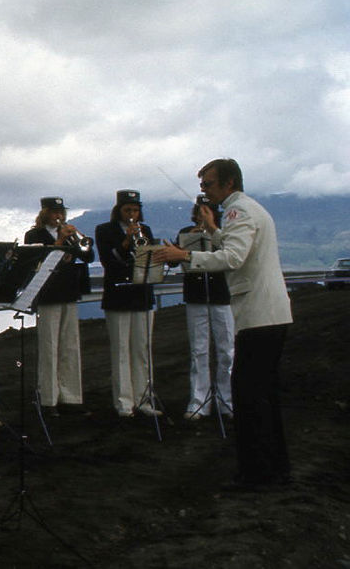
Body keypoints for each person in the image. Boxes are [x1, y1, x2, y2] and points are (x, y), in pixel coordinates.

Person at [155, 159, 292, 489]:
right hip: (270, 315)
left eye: (209, 185)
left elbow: (233, 258)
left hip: (259, 317)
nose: (204, 191)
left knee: (250, 398)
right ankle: (275, 470)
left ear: (229, 184)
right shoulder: (244, 210)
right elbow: (235, 245)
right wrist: (214, 231)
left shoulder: (238, 211)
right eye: (202, 185)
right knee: (264, 398)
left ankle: (257, 475)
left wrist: (185, 256)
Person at [24, 196, 93, 416]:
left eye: (61, 212)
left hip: (69, 291)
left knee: (70, 346)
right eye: (55, 212)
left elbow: (88, 256)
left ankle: (71, 396)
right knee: (49, 346)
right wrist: (60, 242)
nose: (59, 216)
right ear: (45, 214)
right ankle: (48, 399)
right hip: (48, 294)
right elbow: (38, 262)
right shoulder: (34, 235)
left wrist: (77, 240)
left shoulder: (71, 234)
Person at [95, 189, 159, 418]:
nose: (132, 214)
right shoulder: (104, 230)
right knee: (121, 350)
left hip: (141, 294)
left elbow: (149, 260)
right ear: (118, 210)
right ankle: (124, 403)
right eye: (127, 210)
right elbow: (108, 261)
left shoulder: (147, 231)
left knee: (142, 350)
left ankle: (144, 400)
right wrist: (125, 241)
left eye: (135, 210)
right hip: (118, 297)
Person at [173, 200, 234, 419]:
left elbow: (230, 257)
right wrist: (190, 238)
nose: (202, 216)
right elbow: (175, 261)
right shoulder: (185, 232)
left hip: (221, 294)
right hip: (196, 294)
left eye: (206, 212)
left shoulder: (223, 233)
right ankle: (198, 401)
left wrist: (211, 232)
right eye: (199, 213)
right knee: (199, 349)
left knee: (226, 348)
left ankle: (227, 401)